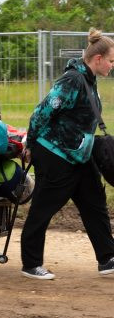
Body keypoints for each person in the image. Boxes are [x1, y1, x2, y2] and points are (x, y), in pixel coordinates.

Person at [21, 28, 114, 280]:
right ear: (98, 59)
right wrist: (30, 144)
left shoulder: (89, 80)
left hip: (77, 155)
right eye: (111, 60)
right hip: (54, 153)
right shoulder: (73, 80)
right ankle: (30, 263)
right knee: (43, 206)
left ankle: (107, 258)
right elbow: (41, 113)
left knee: (95, 202)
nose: (112, 65)